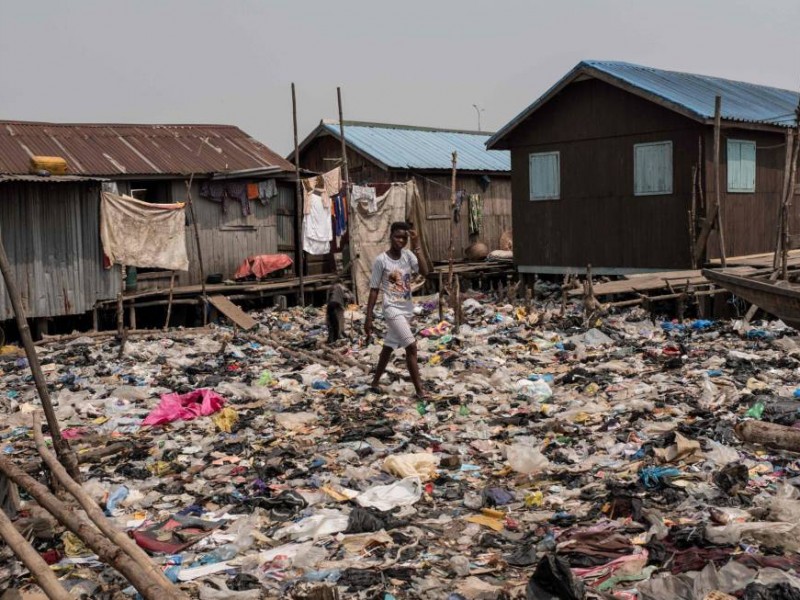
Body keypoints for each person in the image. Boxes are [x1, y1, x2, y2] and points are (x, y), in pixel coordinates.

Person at [364, 221, 430, 398]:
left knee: (388, 347)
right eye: (397, 236)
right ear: (390, 237)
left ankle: (375, 382)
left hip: (406, 309)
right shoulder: (381, 260)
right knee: (411, 346)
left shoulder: (408, 256)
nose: (400, 240)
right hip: (391, 309)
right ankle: (420, 391)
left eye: (404, 238)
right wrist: (368, 317)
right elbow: (374, 289)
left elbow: (424, 272)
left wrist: (416, 246)